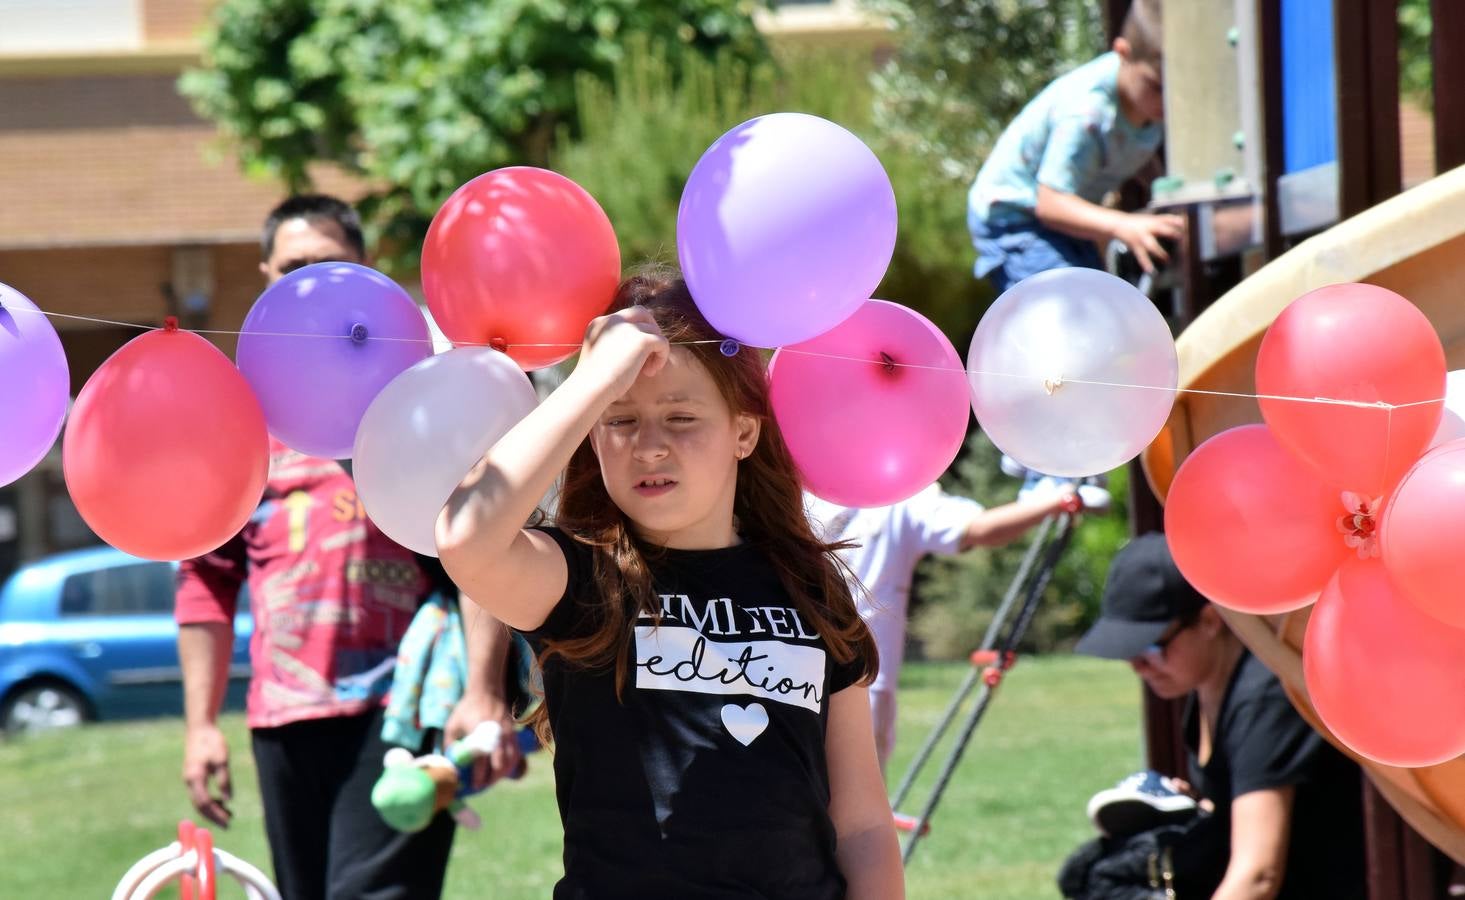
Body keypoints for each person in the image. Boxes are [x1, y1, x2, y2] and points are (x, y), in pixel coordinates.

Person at [436, 273, 905, 898]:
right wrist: (594, 379)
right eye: (620, 419)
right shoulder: (579, 580)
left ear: (744, 431)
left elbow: (864, 824)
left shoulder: (809, 586)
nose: (650, 446)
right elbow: (466, 535)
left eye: (681, 417)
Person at [174, 194, 522, 900]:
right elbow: (205, 578)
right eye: (293, 268)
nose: (308, 285)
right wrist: (201, 725)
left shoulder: (418, 406)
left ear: (365, 273)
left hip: (403, 710)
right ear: (266, 275)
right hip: (284, 719)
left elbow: (478, 546)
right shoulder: (242, 420)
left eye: (329, 267)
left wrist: (484, 692)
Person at [1070, 532, 1365, 900]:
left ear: (1210, 620)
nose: (1139, 666)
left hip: (1317, 884)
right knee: (1087, 872)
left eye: (1151, 647)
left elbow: (1257, 876)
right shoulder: (1207, 685)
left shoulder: (1263, 699)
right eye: (1129, 653)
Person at [804, 481, 1092, 773]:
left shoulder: (785, 485)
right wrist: (1057, 500)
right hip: (862, 683)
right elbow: (979, 529)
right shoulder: (892, 493)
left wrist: (1054, 502)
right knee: (853, 805)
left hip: (790, 670)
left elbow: (977, 529)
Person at [967, 0, 1184, 294]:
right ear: (1123, 53)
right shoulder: (1087, 115)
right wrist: (1123, 224)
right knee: (1066, 305)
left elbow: (1134, 147)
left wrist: (1159, 189)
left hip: (1065, 216)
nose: (1166, 100)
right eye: (1157, 86)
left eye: (1175, 87)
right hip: (1015, 217)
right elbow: (1050, 203)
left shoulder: (1145, 105)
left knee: (1097, 300)